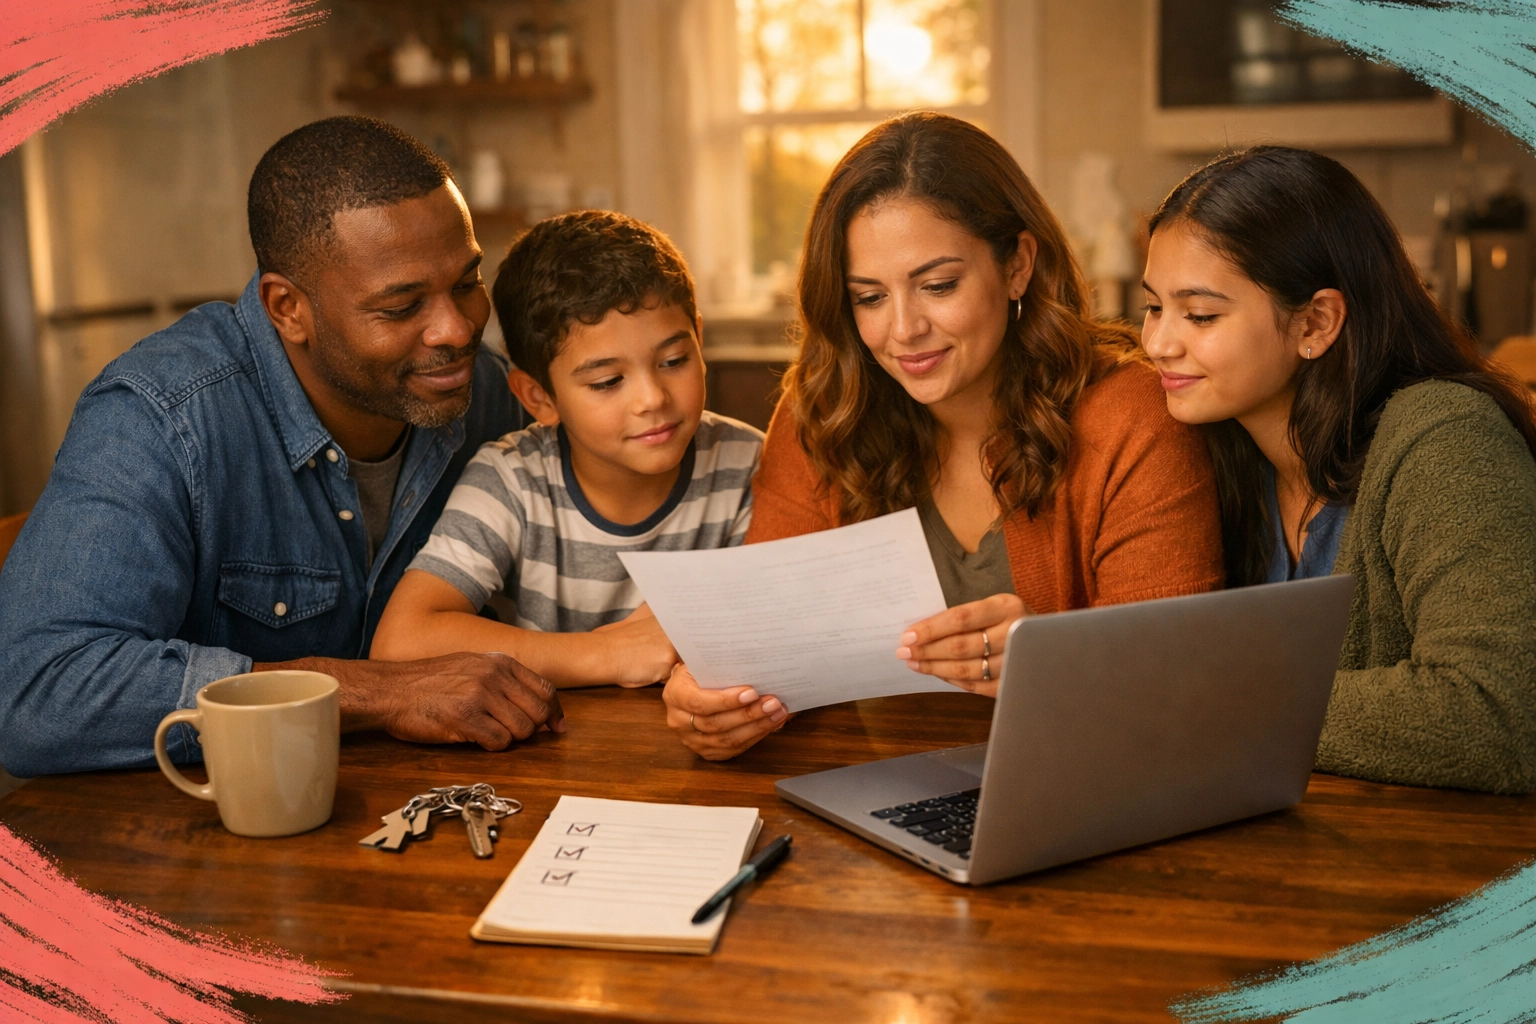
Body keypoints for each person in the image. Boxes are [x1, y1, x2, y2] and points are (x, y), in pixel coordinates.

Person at [0, 116, 565, 778]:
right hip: (199, 845)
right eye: (401, 306)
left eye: (468, 281)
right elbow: (37, 697)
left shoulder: (487, 394)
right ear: (287, 308)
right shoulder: (161, 416)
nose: (459, 327)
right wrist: (377, 692)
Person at [663, 112, 1225, 760]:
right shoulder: (822, 413)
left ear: (1017, 265)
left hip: (1079, 790)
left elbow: (1178, 690)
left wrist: (1055, 663)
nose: (903, 329)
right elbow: (757, 650)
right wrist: (713, 703)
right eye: (869, 297)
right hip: (863, 804)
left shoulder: (1131, 420)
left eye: (937, 286)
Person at [1139, 146, 1536, 794]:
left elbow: (1502, 713)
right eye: (1154, 306)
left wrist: (1218, 702)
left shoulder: (1446, 440)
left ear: (1316, 323)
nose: (1159, 341)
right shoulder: (1220, 450)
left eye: (1201, 315)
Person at [371, 211, 764, 686]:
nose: (653, 399)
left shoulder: (750, 465)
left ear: (699, 339)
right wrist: (605, 653)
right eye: (607, 381)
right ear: (539, 398)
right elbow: (401, 642)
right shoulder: (510, 480)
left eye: (675, 360)